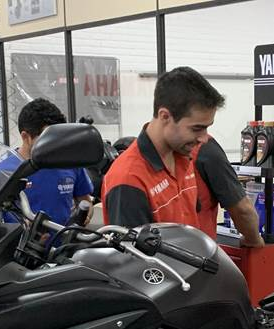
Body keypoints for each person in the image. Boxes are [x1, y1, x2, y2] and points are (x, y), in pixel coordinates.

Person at [101, 67, 263, 248]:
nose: (204, 138)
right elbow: (132, 260)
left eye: (207, 127)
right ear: (165, 116)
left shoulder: (185, 153)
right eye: (197, 128)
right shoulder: (129, 181)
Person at [0, 98, 95, 225]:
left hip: (64, 238)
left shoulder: (69, 164)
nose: (55, 144)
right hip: (20, 238)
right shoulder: (1, 173)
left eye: (58, 137)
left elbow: (85, 200)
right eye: (48, 138)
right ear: (26, 137)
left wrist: (84, 216)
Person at [193, 136, 263, 247]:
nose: (203, 134)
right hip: (199, 249)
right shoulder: (205, 148)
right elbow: (243, 210)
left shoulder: (165, 150)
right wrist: (254, 239)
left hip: (167, 250)